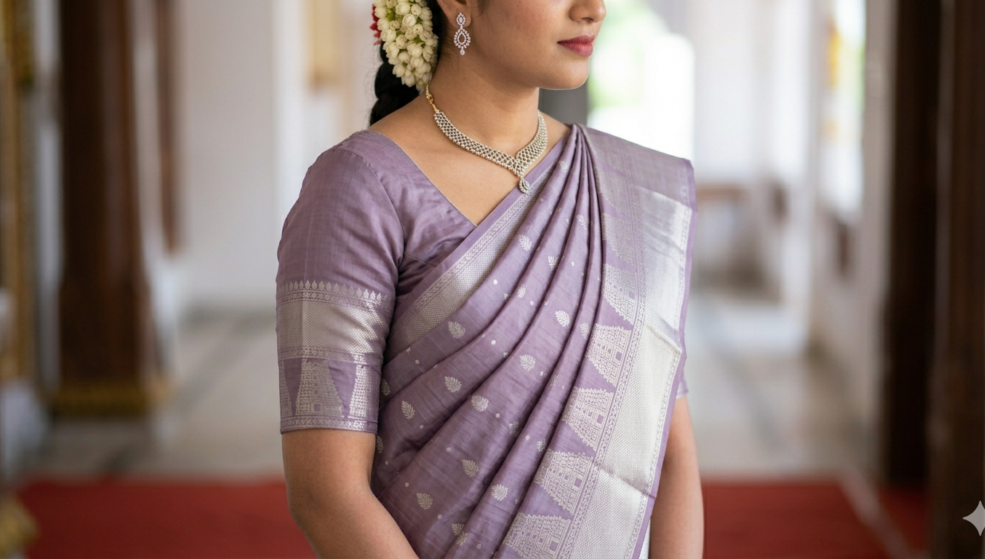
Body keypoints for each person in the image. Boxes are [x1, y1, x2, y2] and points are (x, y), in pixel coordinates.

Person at [276, 0, 703, 556]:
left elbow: (669, 456)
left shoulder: (624, 191)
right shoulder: (360, 189)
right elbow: (326, 493)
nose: (593, 9)